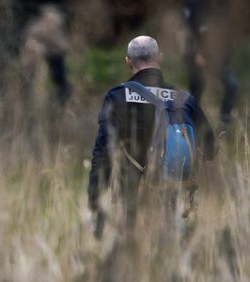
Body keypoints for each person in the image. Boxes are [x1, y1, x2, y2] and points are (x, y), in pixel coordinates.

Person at [88, 35, 215, 236]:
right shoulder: (184, 98)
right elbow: (210, 147)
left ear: (128, 61)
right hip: (173, 187)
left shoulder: (117, 96)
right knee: (171, 239)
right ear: (160, 58)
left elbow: (103, 149)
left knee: (131, 242)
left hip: (130, 191)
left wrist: (94, 196)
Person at [183, 0, 238, 136]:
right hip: (198, 56)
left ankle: (224, 125)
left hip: (218, 56)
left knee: (231, 85)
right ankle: (192, 124)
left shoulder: (222, 6)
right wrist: (197, 52)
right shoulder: (193, 6)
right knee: (196, 91)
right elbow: (187, 31)